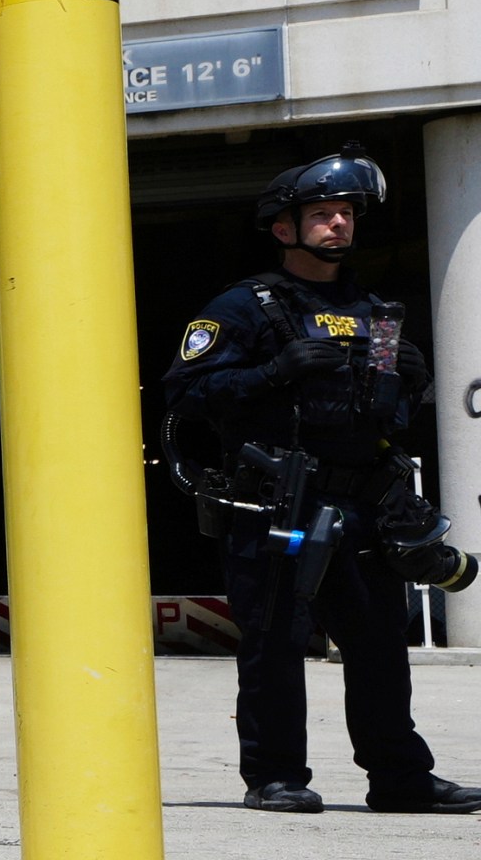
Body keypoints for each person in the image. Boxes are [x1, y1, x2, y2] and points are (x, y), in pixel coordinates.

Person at [161, 145, 481, 816]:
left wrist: (396, 391)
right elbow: (185, 393)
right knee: (274, 644)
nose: (338, 224)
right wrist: (272, 375)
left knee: (381, 649)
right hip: (279, 503)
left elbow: (406, 385)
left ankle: (399, 778)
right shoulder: (248, 306)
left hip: (365, 502)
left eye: (344, 214)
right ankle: (275, 777)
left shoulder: (377, 313)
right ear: (284, 228)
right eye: (322, 214)